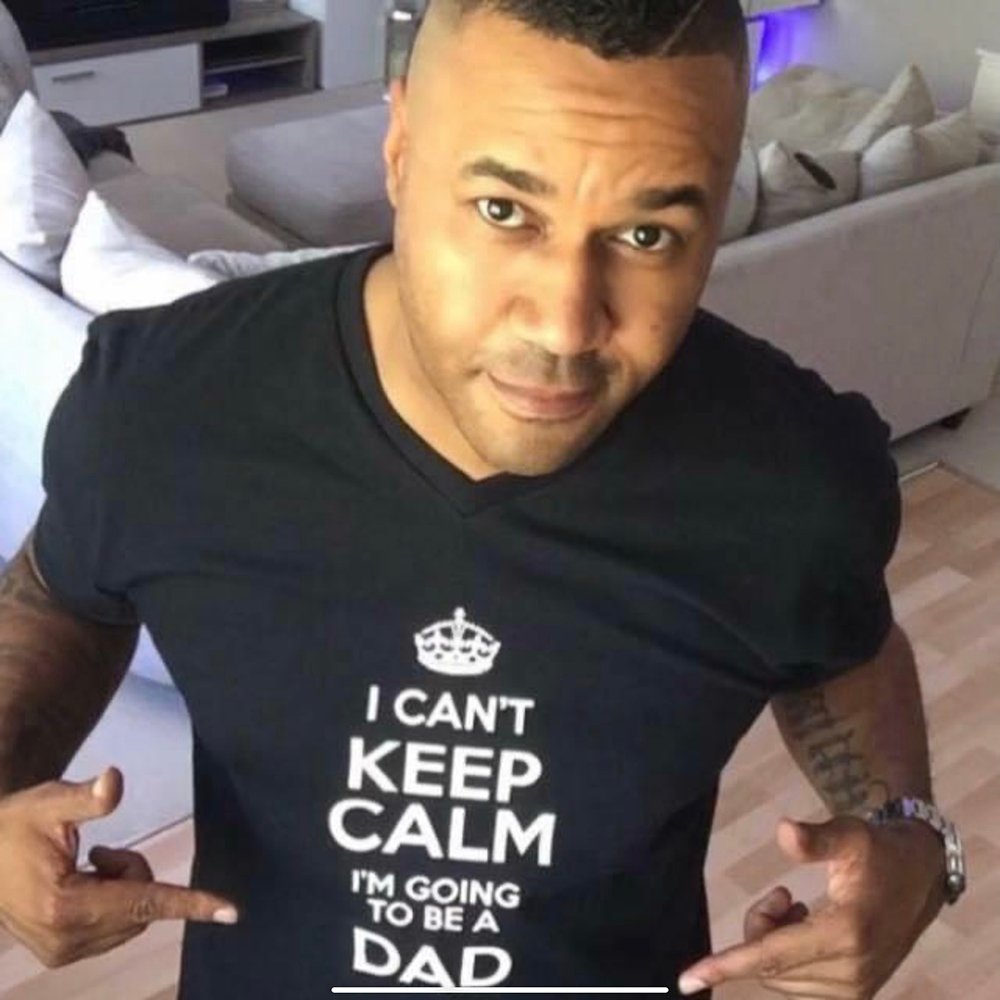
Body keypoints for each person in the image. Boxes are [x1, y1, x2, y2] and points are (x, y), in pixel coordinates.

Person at [0, 1, 962, 996]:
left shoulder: (793, 477)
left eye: (647, 233)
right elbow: (63, 589)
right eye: (505, 210)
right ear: (400, 151)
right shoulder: (167, 404)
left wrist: (910, 833)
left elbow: (841, 641)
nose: (564, 324)